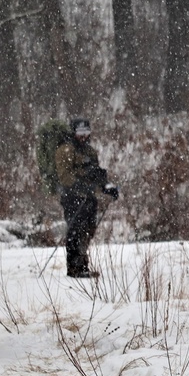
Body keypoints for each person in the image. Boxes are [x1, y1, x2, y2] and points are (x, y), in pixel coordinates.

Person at [54, 119, 118, 278]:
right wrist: (83, 187)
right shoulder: (65, 150)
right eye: (80, 133)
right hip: (72, 198)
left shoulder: (89, 151)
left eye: (86, 133)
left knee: (88, 230)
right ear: (73, 133)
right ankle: (74, 268)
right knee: (75, 230)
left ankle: (83, 265)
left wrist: (107, 187)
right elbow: (65, 177)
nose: (83, 137)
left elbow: (95, 173)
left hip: (89, 198)